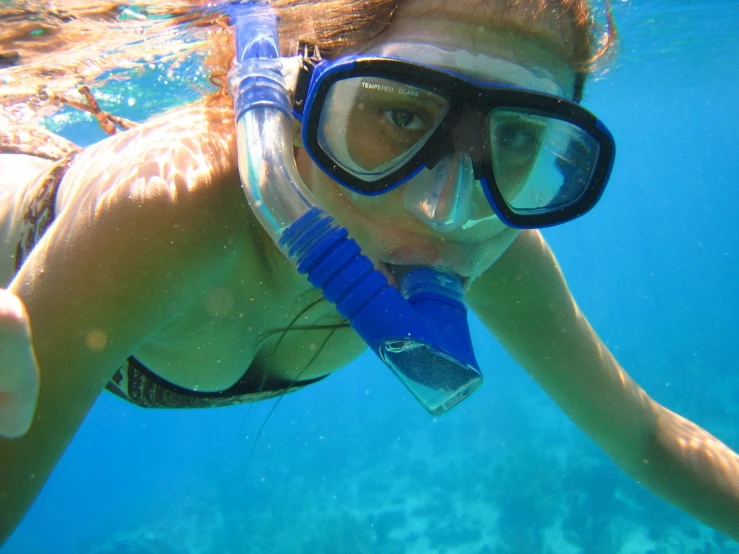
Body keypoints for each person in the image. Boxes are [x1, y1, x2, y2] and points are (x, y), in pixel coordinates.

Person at [0, 0, 738, 545]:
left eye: (514, 138)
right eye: (398, 116)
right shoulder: (166, 210)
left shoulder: (493, 232)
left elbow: (645, 437)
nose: (444, 208)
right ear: (286, 101)